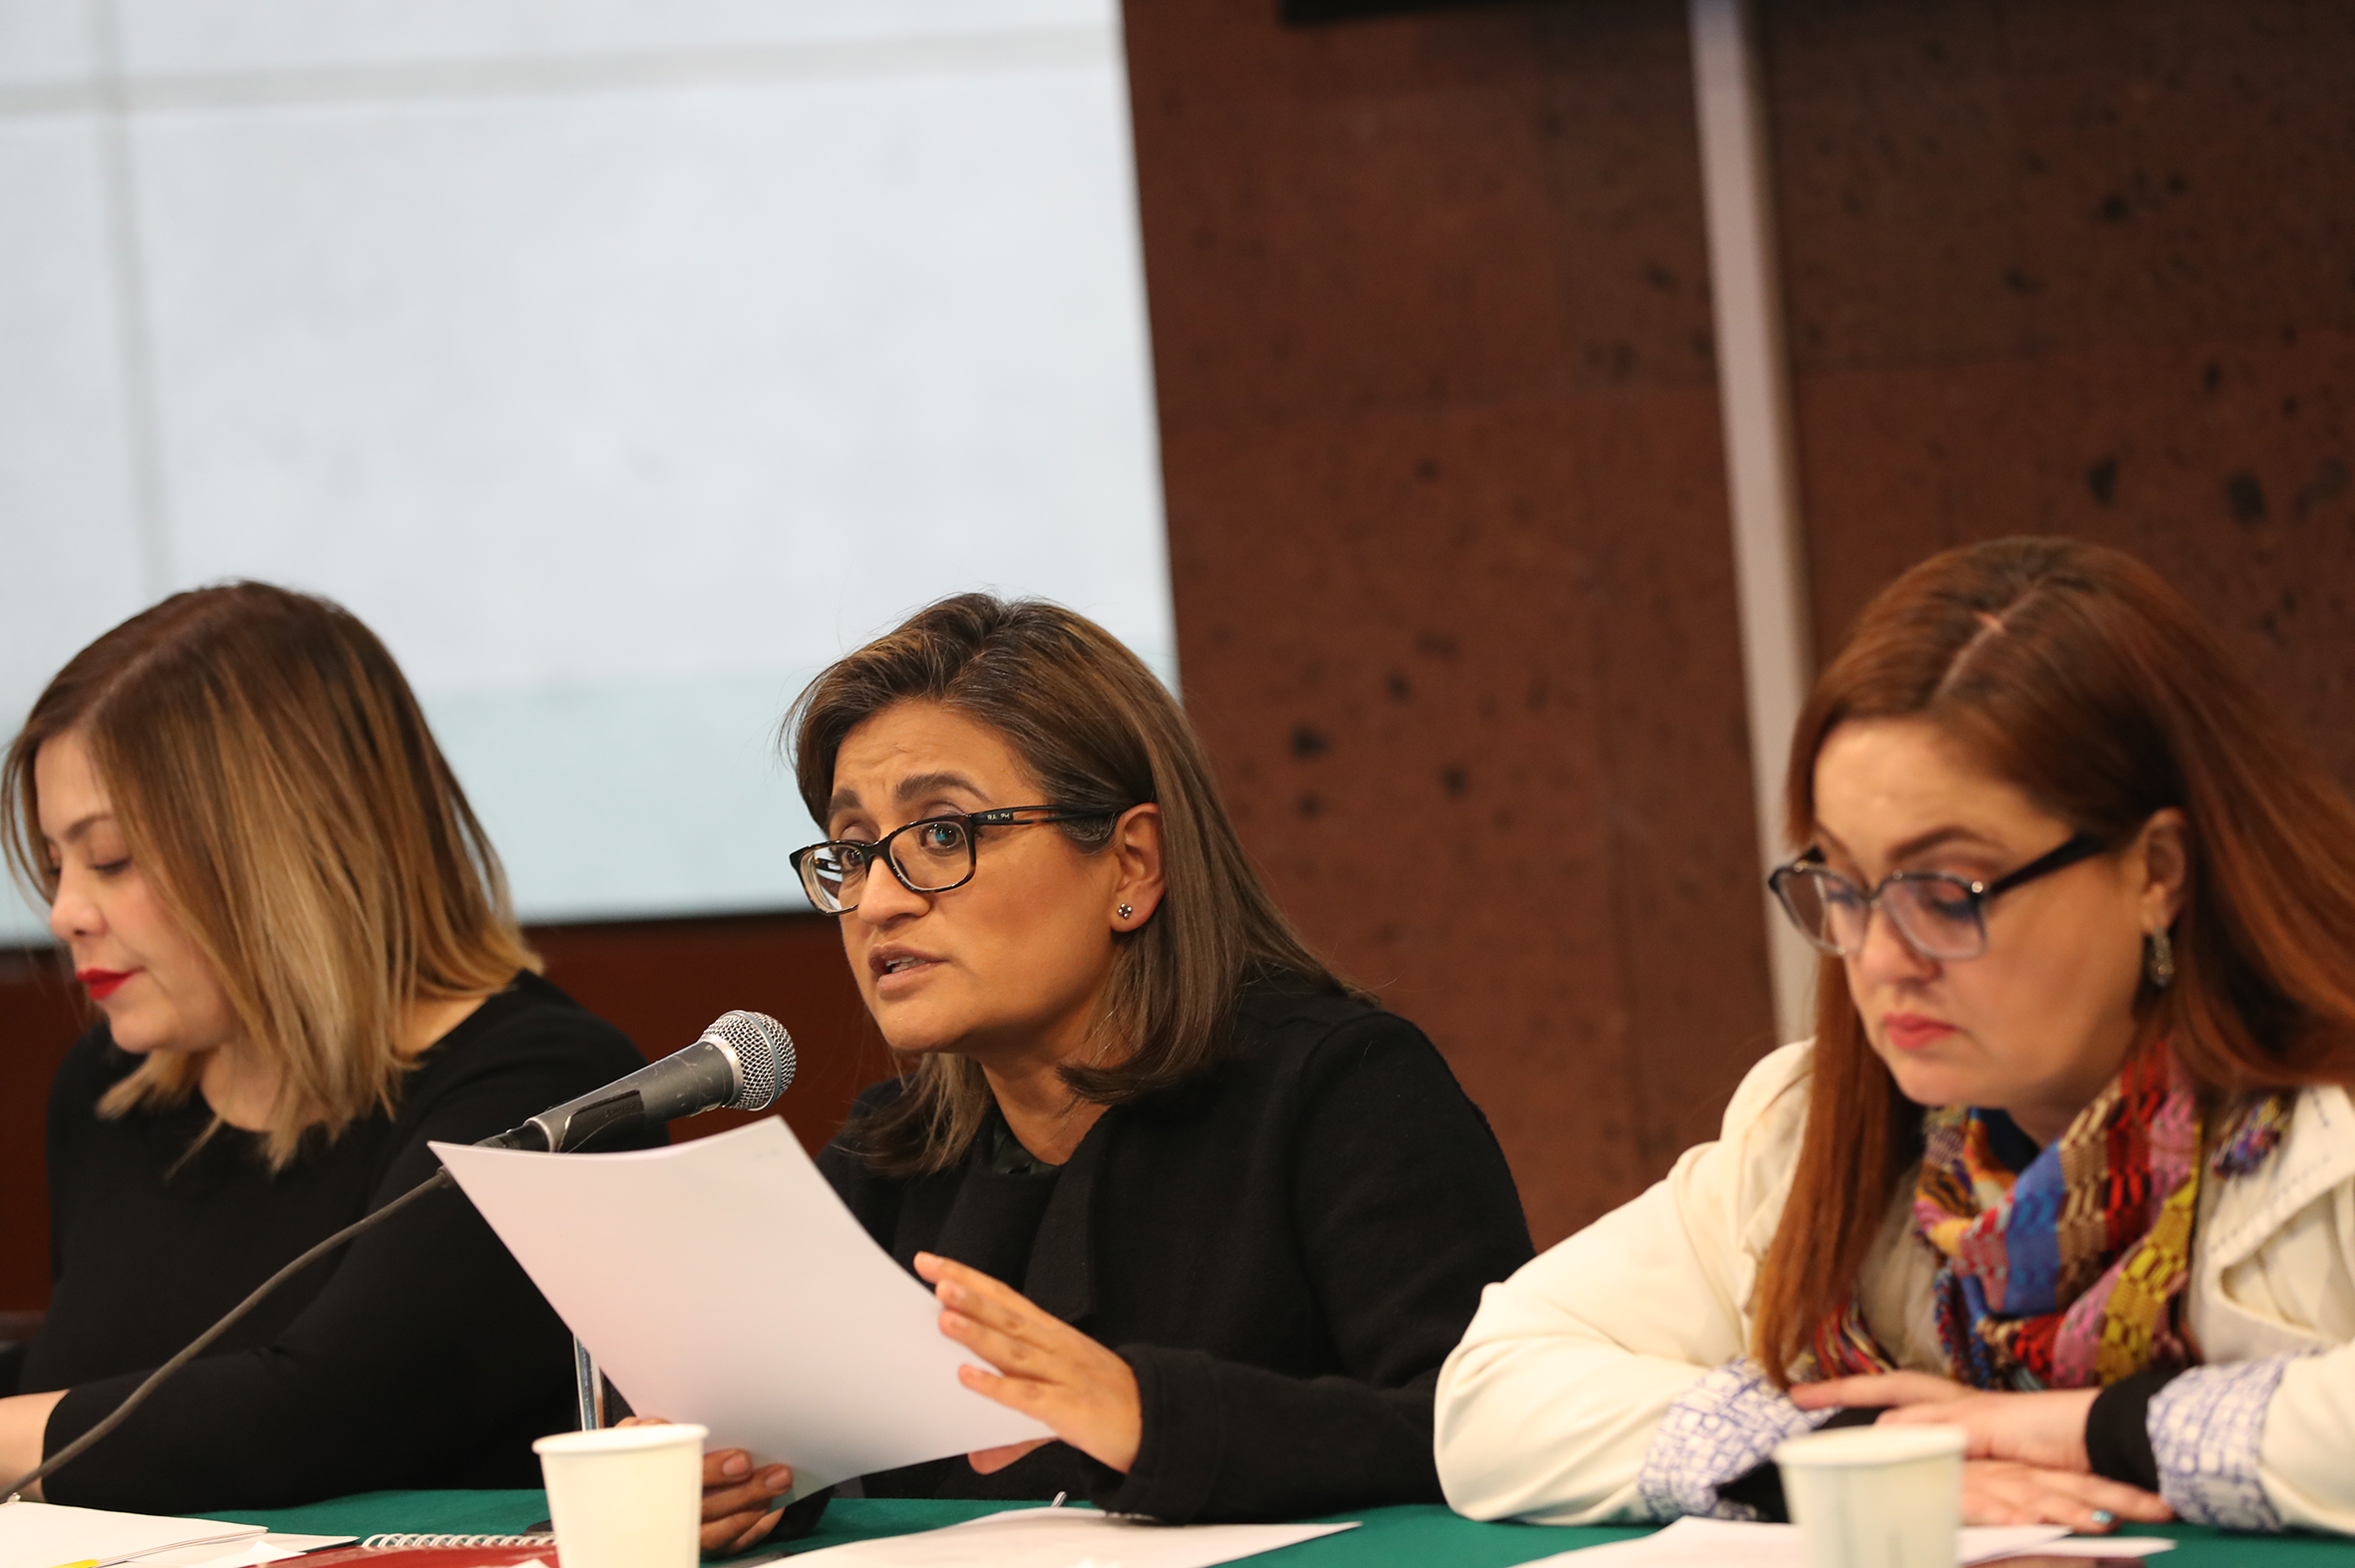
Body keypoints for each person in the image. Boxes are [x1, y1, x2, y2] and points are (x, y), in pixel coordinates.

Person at [1434, 536, 2355, 1537]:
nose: (1878, 958)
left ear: (2155, 871)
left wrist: (2089, 1431)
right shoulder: (1805, 1127)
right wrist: (1844, 1450)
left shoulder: (2322, 1113)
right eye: (1844, 884)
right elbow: (1491, 1392)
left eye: (1945, 890)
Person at [688, 594, 1532, 1550]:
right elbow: (811, 1456)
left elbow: (1488, 1426)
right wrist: (746, 1481)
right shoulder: (887, 1156)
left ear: (1131, 864)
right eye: (852, 851)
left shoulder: (1342, 1091)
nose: (877, 900)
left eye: (943, 833)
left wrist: (1150, 1416)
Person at [0, 583, 660, 1512]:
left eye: (109, 857)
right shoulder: (109, 1087)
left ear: (287, 847)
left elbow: (322, 1416)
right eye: (53, 862)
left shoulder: (548, 1090)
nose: (65, 912)